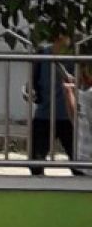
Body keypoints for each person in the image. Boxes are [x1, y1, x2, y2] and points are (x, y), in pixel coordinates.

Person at [28, 34, 83, 176]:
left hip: (70, 117)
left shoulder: (77, 56)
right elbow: (33, 82)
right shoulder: (43, 54)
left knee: (80, 165)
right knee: (35, 162)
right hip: (45, 115)